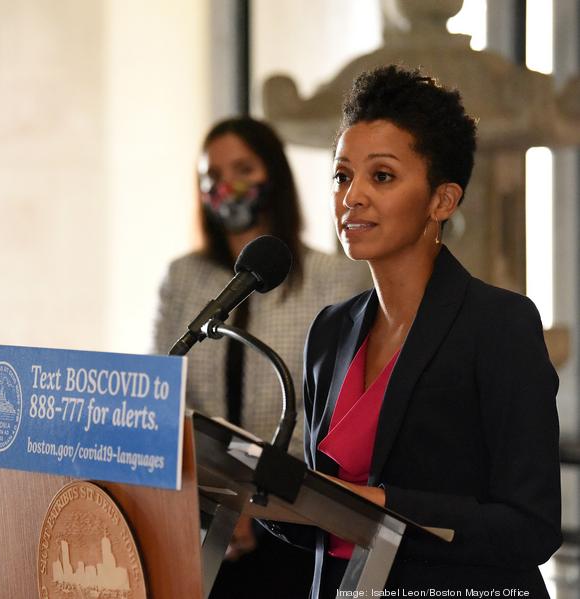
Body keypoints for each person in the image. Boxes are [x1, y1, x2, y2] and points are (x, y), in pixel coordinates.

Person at [287, 65, 561, 596]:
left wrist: (383, 508)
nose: (352, 196)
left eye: (382, 176)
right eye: (342, 176)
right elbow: (323, 522)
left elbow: (530, 526)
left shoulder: (499, 325)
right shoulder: (330, 330)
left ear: (443, 201)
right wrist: (259, 493)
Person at [153, 116, 369, 598]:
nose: (226, 185)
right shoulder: (182, 277)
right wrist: (212, 494)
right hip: (197, 510)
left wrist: (253, 500)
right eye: (212, 175)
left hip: (292, 511)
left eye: (243, 169)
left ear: (273, 175)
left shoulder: (333, 279)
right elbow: (165, 389)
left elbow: (328, 411)